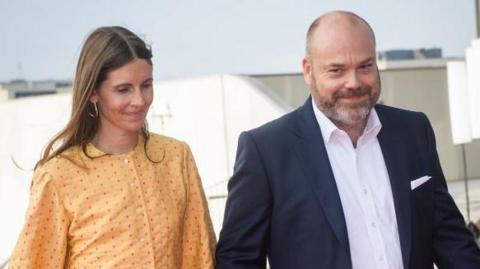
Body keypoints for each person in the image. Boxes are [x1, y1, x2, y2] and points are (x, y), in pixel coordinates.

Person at [215, 11, 480, 269]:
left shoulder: (413, 131)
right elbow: (238, 260)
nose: (354, 83)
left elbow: (450, 239)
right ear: (308, 71)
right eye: (337, 70)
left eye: (365, 66)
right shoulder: (266, 151)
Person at [9, 26, 216, 268]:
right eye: (123, 89)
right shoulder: (59, 175)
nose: (139, 100)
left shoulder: (176, 156)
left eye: (146, 85)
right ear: (93, 93)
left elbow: (200, 255)